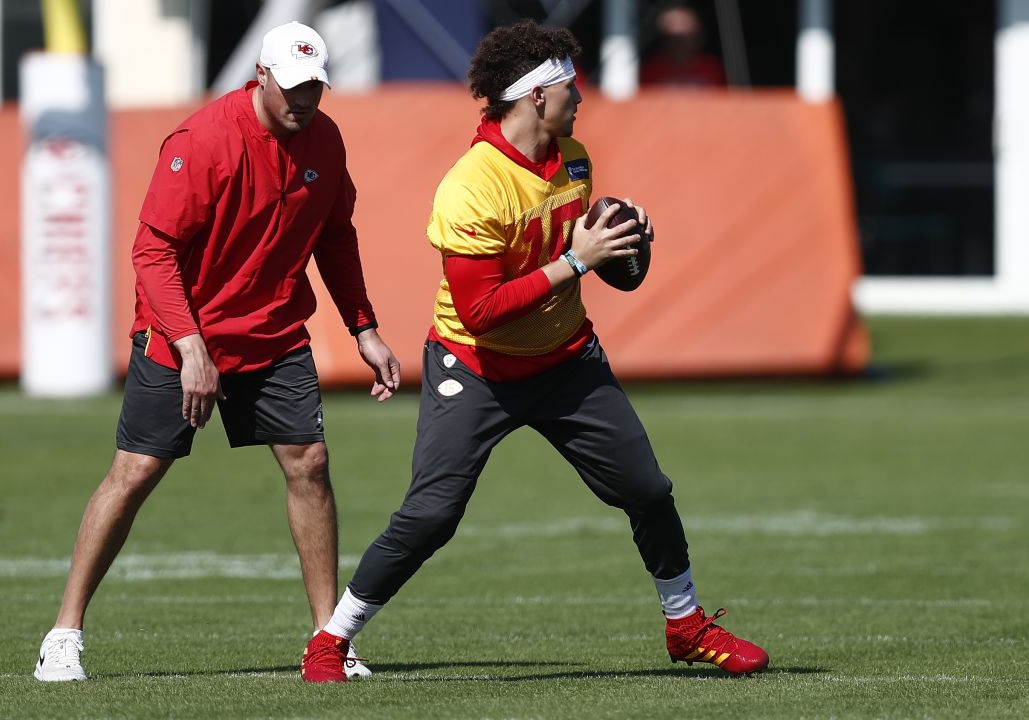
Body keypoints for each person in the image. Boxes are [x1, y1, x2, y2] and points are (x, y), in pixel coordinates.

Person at [299, 19, 768, 683]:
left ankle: (686, 625)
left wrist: (626, 240)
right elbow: (480, 311)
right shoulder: (472, 185)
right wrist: (581, 259)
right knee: (432, 514)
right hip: (478, 364)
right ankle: (330, 640)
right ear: (534, 97)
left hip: (565, 357)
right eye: (568, 85)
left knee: (647, 488)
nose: (581, 95)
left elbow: (592, 255)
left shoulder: (572, 156)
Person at [32, 22, 400, 682]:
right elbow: (154, 251)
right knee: (135, 473)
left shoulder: (326, 139)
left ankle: (328, 640)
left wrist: (363, 328)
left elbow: (334, 240)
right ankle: (63, 633)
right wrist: (190, 345)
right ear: (259, 76)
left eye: (315, 87)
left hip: (274, 334)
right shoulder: (202, 141)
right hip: (183, 336)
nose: (304, 100)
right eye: (292, 88)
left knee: (309, 462)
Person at [640, 4, 727, 87]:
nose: (679, 45)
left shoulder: (713, 68)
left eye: (686, 37)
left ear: (700, 37)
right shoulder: (649, 71)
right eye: (673, 39)